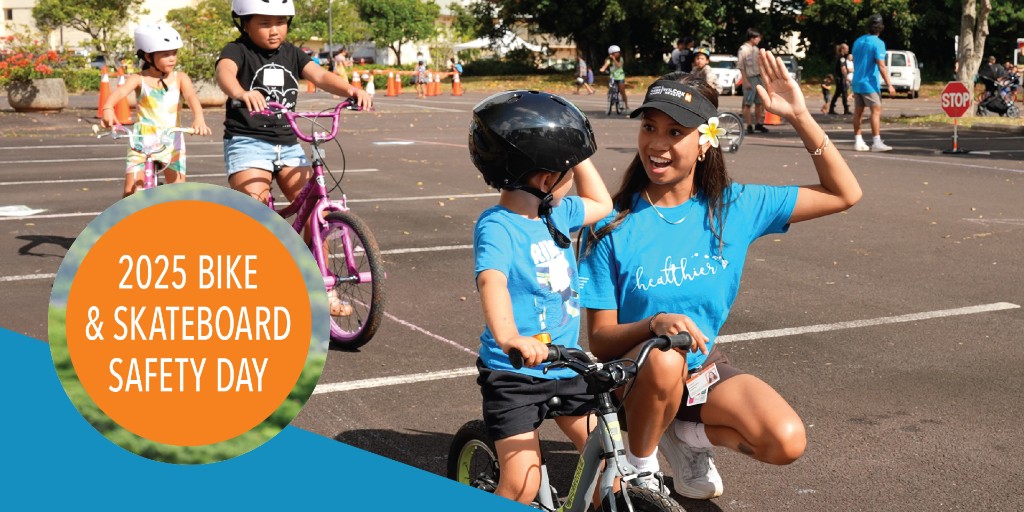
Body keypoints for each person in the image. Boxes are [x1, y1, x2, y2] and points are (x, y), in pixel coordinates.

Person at [578, 50, 862, 499]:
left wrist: (801, 116)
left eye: (675, 132)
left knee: (785, 439)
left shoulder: (735, 207)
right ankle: (639, 463)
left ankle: (684, 437)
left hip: (699, 372)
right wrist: (654, 326)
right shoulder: (610, 223)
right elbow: (600, 339)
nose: (657, 144)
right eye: (649, 127)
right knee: (665, 356)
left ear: (706, 140)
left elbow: (845, 193)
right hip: (631, 377)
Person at [469, 90, 613, 504]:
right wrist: (510, 337)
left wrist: (575, 155)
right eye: (567, 170)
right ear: (547, 180)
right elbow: (491, 281)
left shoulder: (558, 213)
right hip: (514, 374)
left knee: (606, 458)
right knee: (522, 485)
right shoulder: (497, 226)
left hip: (567, 366)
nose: (574, 177)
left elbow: (602, 203)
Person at [216, 0, 371, 315]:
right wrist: (240, 93)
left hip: (287, 142)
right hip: (248, 141)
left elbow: (322, 76)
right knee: (255, 208)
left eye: (280, 22)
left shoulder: (293, 54)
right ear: (244, 23)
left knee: (316, 212)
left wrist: (351, 89)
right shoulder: (237, 50)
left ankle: (321, 289)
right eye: (264, 22)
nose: (274, 30)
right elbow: (225, 73)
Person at [101, 24, 212, 197]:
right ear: (148, 56)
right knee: (131, 192)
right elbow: (121, 92)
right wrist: (108, 107)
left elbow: (191, 97)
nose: (172, 58)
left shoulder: (180, 78)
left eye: (174, 53)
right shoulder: (139, 78)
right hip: (141, 140)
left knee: (177, 193)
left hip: (172, 138)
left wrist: (199, 118)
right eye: (165, 54)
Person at [850, 13, 895, 152]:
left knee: (858, 112)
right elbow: (881, 65)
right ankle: (876, 141)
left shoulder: (858, 41)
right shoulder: (878, 43)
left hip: (857, 82)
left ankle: (858, 141)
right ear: (881, 28)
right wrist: (889, 85)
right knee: (876, 110)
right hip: (869, 83)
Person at [737, 28, 768, 134]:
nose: (759, 39)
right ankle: (749, 125)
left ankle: (758, 123)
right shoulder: (743, 49)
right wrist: (745, 81)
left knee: (759, 102)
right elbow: (741, 66)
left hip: (758, 77)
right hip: (749, 78)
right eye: (758, 37)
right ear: (752, 38)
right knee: (748, 103)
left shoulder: (755, 49)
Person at [600, 45, 629, 112]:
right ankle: (610, 97)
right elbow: (606, 65)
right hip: (612, 76)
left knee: (622, 91)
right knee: (611, 87)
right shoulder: (608, 59)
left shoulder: (620, 59)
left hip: (620, 76)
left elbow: (619, 66)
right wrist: (603, 68)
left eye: (618, 52)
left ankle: (627, 106)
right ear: (612, 53)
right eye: (616, 52)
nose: (618, 53)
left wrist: (614, 59)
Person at [828, 43, 850, 115]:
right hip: (841, 78)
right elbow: (843, 69)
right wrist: (846, 77)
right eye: (847, 49)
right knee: (844, 93)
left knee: (837, 93)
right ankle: (846, 109)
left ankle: (831, 108)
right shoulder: (842, 58)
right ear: (843, 49)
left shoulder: (838, 57)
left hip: (838, 78)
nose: (848, 50)